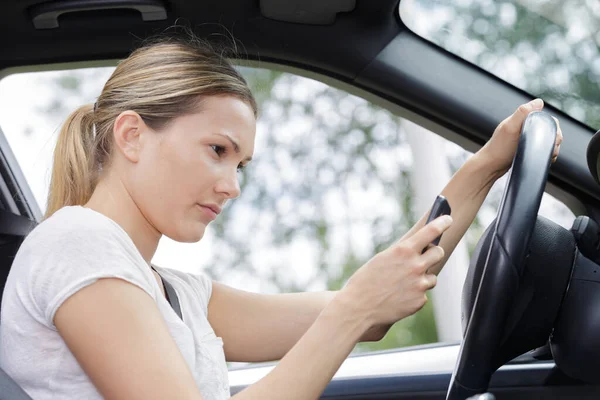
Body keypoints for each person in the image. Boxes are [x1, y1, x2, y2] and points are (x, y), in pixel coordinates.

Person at [0, 32, 562, 400]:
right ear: (131, 136)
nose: (233, 185)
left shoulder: (178, 294)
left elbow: (371, 315)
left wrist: (485, 168)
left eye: (242, 163)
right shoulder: (77, 242)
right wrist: (351, 310)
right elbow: (351, 313)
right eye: (218, 151)